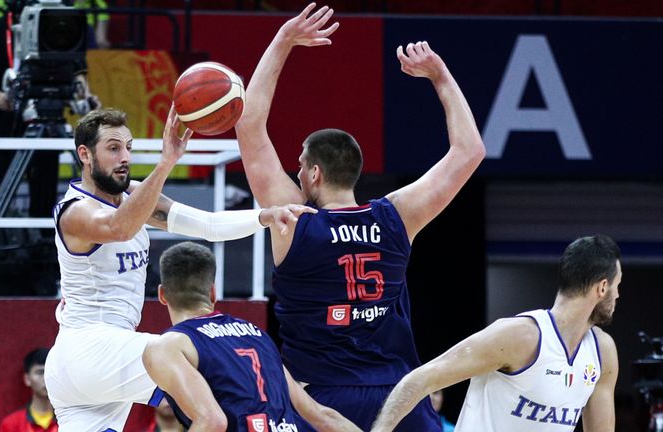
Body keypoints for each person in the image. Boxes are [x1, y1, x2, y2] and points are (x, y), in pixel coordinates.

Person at [234, 3, 486, 431]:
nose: (295, 172)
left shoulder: (293, 221)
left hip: (323, 398)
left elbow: (249, 127)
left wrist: (283, 41)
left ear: (313, 173)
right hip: (397, 394)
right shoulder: (396, 218)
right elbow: (470, 151)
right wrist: (440, 76)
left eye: (299, 165)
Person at [44, 107, 315, 432]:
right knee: (212, 380)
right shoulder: (75, 212)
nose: (124, 157)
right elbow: (120, 228)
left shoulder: (132, 194)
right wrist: (166, 162)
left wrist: (265, 216)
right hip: (88, 348)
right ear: (85, 155)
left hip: (100, 359)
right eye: (113, 148)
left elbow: (208, 224)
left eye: (128, 147)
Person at [371, 234, 621, 432]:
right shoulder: (520, 337)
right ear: (602, 287)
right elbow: (421, 379)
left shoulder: (602, 353)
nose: (618, 295)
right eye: (617, 286)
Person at [145, 241, 361, 432]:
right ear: (213, 292)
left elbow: (212, 422)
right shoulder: (257, 334)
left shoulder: (169, 345)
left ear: (162, 295)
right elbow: (322, 416)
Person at [0, 0, 98, 218]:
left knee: (44, 183)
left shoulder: (62, 26)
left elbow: (78, 72)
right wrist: (0, 97)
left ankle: (44, 241)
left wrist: (86, 95)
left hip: (48, 116)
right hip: (5, 119)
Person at [0, 348, 59, 432]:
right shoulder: (11, 424)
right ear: (27, 379)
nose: (46, 378)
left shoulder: (69, 420)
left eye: (50, 372)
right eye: (40, 372)